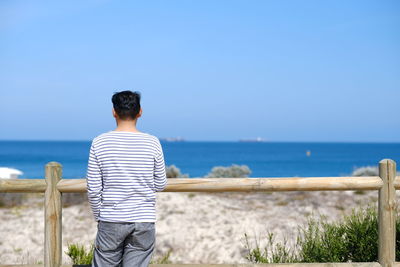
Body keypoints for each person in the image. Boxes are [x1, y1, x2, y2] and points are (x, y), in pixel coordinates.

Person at [86, 90, 167, 267]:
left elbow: (93, 188)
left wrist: (100, 215)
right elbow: (161, 184)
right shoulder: (152, 142)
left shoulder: (100, 142)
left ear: (114, 112)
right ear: (140, 112)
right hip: (144, 219)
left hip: (111, 218)